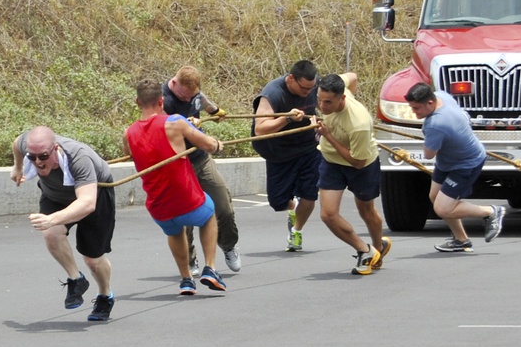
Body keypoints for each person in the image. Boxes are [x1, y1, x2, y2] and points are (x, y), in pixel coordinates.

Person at [124, 79, 227, 296]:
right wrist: (217, 144)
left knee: (174, 230)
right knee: (209, 215)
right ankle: (210, 267)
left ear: (137, 102)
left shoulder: (128, 133)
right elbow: (207, 145)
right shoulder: (175, 122)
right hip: (186, 197)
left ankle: (186, 280)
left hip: (158, 205)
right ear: (161, 101)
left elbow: (131, 152)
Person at [9, 126, 116, 321]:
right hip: (55, 196)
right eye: (32, 158)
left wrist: (51, 219)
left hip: (94, 197)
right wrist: (18, 166)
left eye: (42, 156)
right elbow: (17, 143)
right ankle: (77, 279)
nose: (38, 163)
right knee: (51, 233)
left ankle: (105, 295)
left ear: (55, 148)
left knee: (92, 259)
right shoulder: (30, 147)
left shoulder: (79, 158)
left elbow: (87, 203)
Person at [404, 83, 506, 252]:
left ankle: (491, 212)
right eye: (412, 108)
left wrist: (429, 137)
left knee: (442, 208)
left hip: (466, 164)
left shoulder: (435, 124)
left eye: (417, 109)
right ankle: (461, 240)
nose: (415, 114)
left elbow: (429, 154)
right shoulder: (441, 95)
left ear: (430, 103)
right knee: (435, 196)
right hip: (448, 161)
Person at [162, 65, 241, 276]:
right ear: (175, 83)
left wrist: (214, 112)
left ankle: (228, 245)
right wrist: (184, 126)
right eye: (185, 96)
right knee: (185, 216)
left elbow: (202, 100)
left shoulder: (193, 94)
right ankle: (190, 259)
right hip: (178, 164)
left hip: (200, 158)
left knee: (223, 205)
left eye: (192, 96)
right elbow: (159, 130)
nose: (188, 100)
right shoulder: (165, 100)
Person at [314, 73, 391, 275]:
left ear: (342, 98)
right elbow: (353, 77)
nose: (322, 106)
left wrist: (328, 136)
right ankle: (364, 250)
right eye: (319, 100)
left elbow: (358, 162)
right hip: (331, 162)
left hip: (362, 164)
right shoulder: (337, 87)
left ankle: (378, 248)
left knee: (366, 211)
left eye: (328, 102)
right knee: (328, 215)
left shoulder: (358, 124)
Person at [252, 59, 320, 252]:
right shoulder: (272, 94)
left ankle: (296, 232)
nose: (308, 93)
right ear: (291, 79)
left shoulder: (315, 84)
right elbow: (260, 129)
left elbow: (349, 79)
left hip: (307, 148)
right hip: (280, 153)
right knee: (278, 202)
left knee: (310, 194)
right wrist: (286, 118)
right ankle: (293, 206)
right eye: (304, 89)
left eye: (311, 88)